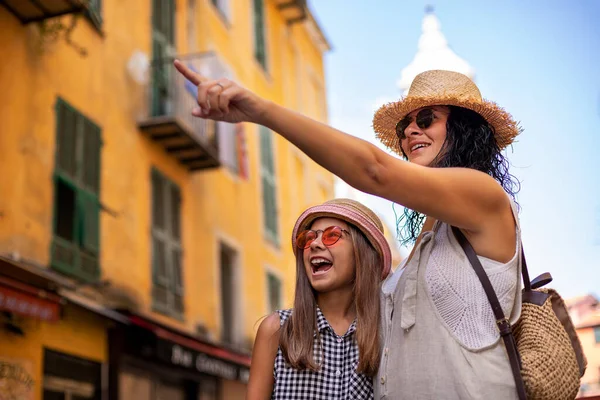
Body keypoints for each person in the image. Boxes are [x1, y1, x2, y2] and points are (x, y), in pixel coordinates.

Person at [174, 61, 524, 399]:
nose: (410, 133)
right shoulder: (432, 232)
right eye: (405, 127)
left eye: (426, 119)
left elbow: (374, 170)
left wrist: (259, 111)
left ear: (464, 128)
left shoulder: (485, 196)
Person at [246, 198, 392, 399]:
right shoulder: (276, 330)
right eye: (308, 238)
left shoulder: (385, 334)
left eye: (332, 235)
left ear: (363, 252)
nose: (314, 244)